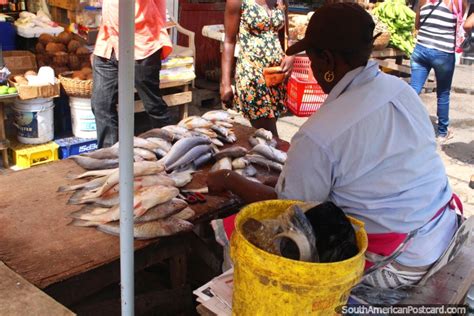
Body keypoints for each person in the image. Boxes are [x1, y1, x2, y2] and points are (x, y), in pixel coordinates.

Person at [208, 3, 461, 289]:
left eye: (312, 58)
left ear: (327, 61)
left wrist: (229, 178)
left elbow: (289, 211)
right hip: (444, 228)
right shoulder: (401, 90)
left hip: (401, 261)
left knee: (249, 234)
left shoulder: (318, 135)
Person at [92, 0, 172, 148]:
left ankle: (171, 150)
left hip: (141, 42)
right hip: (108, 42)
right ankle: (109, 157)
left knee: (153, 105)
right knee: (101, 104)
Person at [220, 0, 295, 137]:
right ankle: (282, 155)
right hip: (252, 77)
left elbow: (285, 36)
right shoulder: (238, 1)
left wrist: (291, 54)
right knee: (269, 134)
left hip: (275, 76)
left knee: (266, 130)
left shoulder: (281, 1)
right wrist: (225, 83)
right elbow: (229, 41)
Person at [410, 0, 468, 142]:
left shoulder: (423, 1)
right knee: (443, 93)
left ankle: (403, 124)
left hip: (421, 50)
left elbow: (417, 25)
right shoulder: (457, 1)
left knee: (412, 90)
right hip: (443, 53)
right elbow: (463, 25)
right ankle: (442, 132)